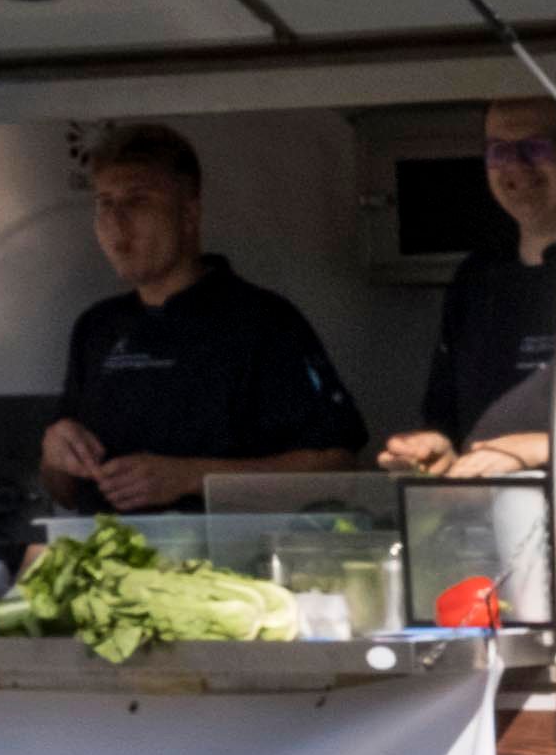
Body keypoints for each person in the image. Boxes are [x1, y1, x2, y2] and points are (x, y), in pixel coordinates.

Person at [38, 121, 367, 513]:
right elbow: (66, 493)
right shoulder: (97, 328)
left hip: (227, 567)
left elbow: (337, 469)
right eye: (105, 203)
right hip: (108, 567)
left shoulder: (262, 321)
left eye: (138, 201)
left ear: (189, 214)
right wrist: (53, 455)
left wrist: (191, 477)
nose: (115, 222)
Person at [385, 95, 556, 480]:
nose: (515, 165)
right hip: (481, 522)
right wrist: (435, 449)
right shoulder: (475, 277)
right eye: (498, 151)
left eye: (534, 148)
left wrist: (542, 447)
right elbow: (445, 418)